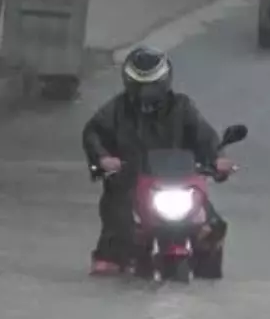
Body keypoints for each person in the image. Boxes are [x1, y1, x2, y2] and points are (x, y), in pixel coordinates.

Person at [81, 46, 235, 275]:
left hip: (180, 187)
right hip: (129, 188)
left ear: (164, 82)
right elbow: (93, 133)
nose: (147, 93)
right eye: (140, 86)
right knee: (110, 260)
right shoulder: (116, 110)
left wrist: (218, 159)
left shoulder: (182, 107)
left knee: (212, 228)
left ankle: (208, 278)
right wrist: (103, 159)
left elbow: (205, 137)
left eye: (153, 85)